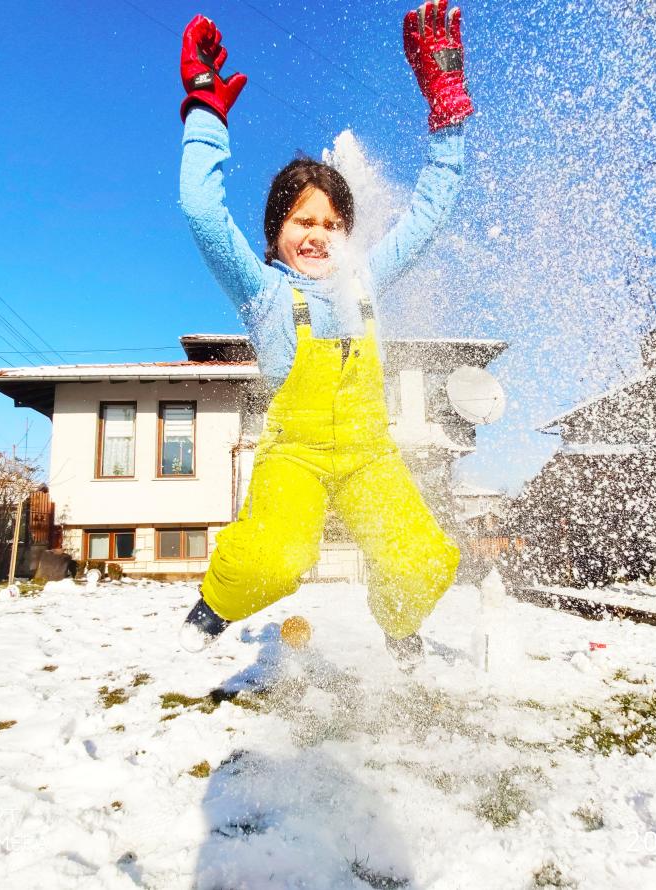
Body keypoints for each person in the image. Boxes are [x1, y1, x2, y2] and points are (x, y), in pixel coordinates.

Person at [176, 1, 473, 669]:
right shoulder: (264, 294)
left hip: (371, 455)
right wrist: (204, 112)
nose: (316, 234)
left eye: (331, 223)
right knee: (276, 559)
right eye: (301, 221)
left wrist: (447, 117)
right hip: (296, 456)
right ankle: (220, 599)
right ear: (277, 236)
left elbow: (432, 207)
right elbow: (200, 210)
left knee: (425, 560)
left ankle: (399, 627)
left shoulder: (366, 280)